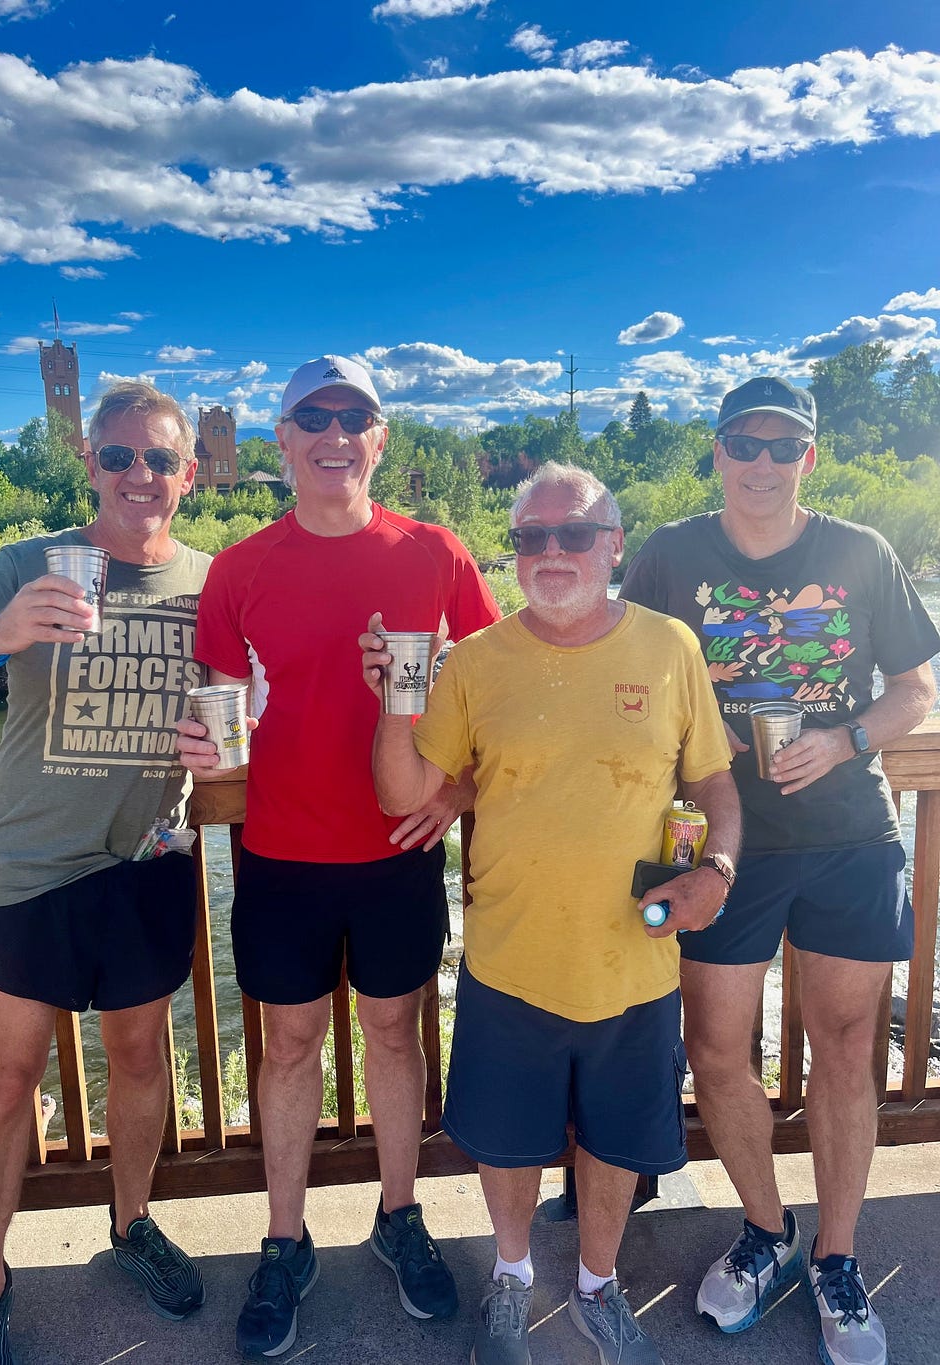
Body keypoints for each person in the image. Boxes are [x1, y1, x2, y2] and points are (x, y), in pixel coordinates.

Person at [363, 462, 741, 1365]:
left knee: (615, 1142)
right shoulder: (478, 661)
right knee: (508, 1140)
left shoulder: (671, 646)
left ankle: (597, 1287)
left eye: (572, 533)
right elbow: (403, 789)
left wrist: (719, 867)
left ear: (612, 543)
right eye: (531, 537)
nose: (551, 552)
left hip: (635, 961)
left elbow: (714, 778)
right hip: (509, 959)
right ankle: (512, 1275)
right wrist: (394, 696)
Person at [176, 355, 501, 1359]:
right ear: (283, 442)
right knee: (286, 1046)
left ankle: (398, 1217)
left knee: (397, 1038)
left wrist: (456, 788)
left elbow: (495, 692)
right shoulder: (239, 567)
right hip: (277, 850)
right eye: (310, 417)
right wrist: (200, 749)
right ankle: (284, 1238)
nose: (332, 434)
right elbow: (219, 709)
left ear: (379, 439)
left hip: (398, 849)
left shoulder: (436, 552)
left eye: (351, 417)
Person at [619, 376, 940, 1365]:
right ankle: (768, 1231)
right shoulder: (669, 555)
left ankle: (837, 1256)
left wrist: (845, 740)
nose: (760, 463)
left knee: (847, 1049)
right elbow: (618, 677)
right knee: (717, 1050)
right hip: (717, 843)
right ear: (714, 452)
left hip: (847, 835)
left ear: (808, 457)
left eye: (780, 446)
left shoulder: (858, 552)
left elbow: (913, 687)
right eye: (740, 444)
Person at [0, 382, 211, 1364]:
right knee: (2, 1083)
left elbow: (252, 705)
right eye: (118, 456)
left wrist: (229, 747)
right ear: (89, 462)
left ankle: (130, 1226)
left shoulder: (215, 583)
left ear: (188, 474)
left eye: (159, 459)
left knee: (136, 1062)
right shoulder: (25, 566)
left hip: (149, 861)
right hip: (30, 869)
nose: (139, 474)